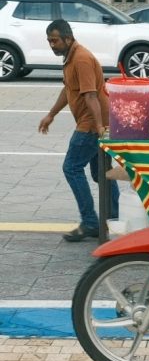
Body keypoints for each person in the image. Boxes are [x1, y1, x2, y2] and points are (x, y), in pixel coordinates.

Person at [38, 19, 119, 242]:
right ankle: (113, 219)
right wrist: (51, 114)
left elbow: (90, 95)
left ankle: (91, 222)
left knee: (71, 168)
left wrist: (99, 127)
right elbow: (69, 89)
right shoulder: (71, 57)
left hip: (91, 124)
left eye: (54, 40)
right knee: (101, 173)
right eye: (49, 41)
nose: (52, 45)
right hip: (95, 123)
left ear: (68, 38)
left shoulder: (81, 59)